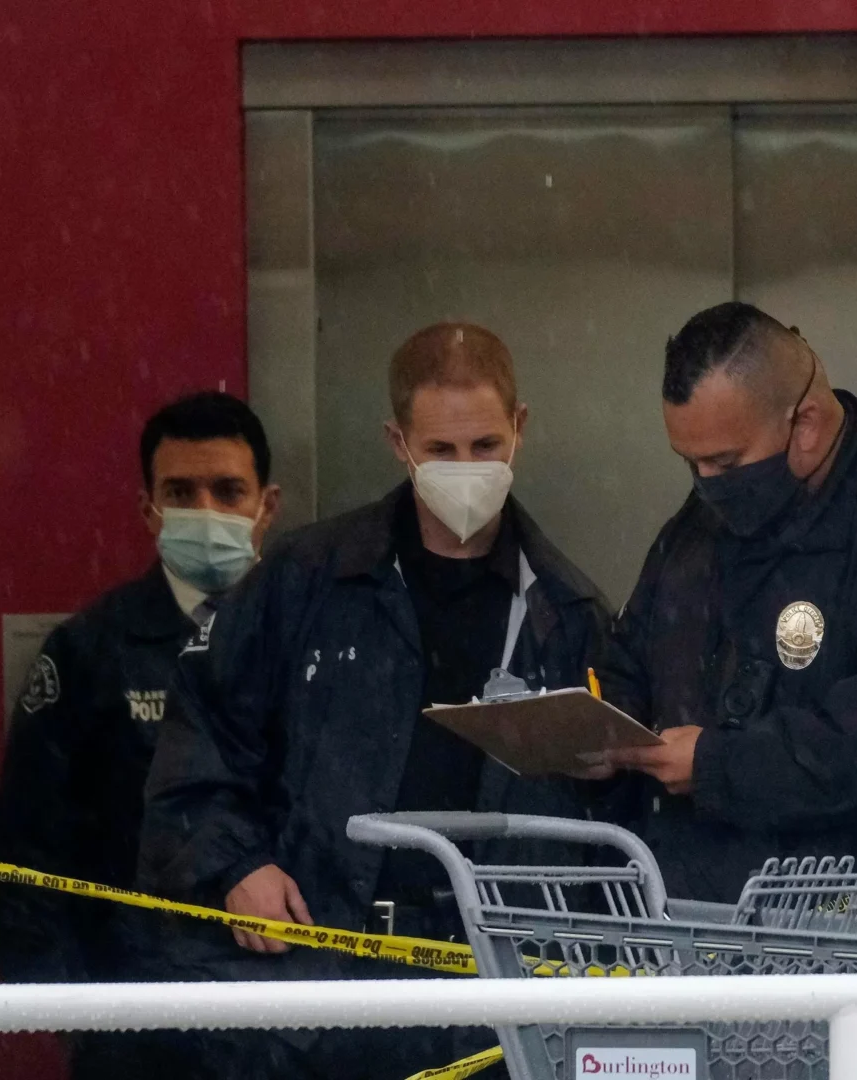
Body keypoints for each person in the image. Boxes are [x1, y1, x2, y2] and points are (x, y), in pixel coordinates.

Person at [138, 323, 612, 1080]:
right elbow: (199, 746)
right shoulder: (305, 580)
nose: (466, 470)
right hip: (320, 985)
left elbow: (609, 829)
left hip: (501, 998)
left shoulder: (569, 611)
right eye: (441, 450)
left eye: (485, 446)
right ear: (398, 442)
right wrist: (235, 867)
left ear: (520, 429)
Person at [590, 302, 857, 920]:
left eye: (724, 462)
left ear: (807, 424)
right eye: (690, 463)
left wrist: (718, 765)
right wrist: (601, 730)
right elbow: (635, 650)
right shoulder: (702, 523)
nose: (706, 482)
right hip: (693, 921)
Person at [0, 390, 281, 1078]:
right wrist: (71, 1020)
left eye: (227, 491)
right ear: (148, 509)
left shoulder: (317, 642)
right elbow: (24, 853)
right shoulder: (92, 651)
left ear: (267, 506)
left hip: (296, 1018)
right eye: (180, 492)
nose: (204, 512)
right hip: (140, 1024)